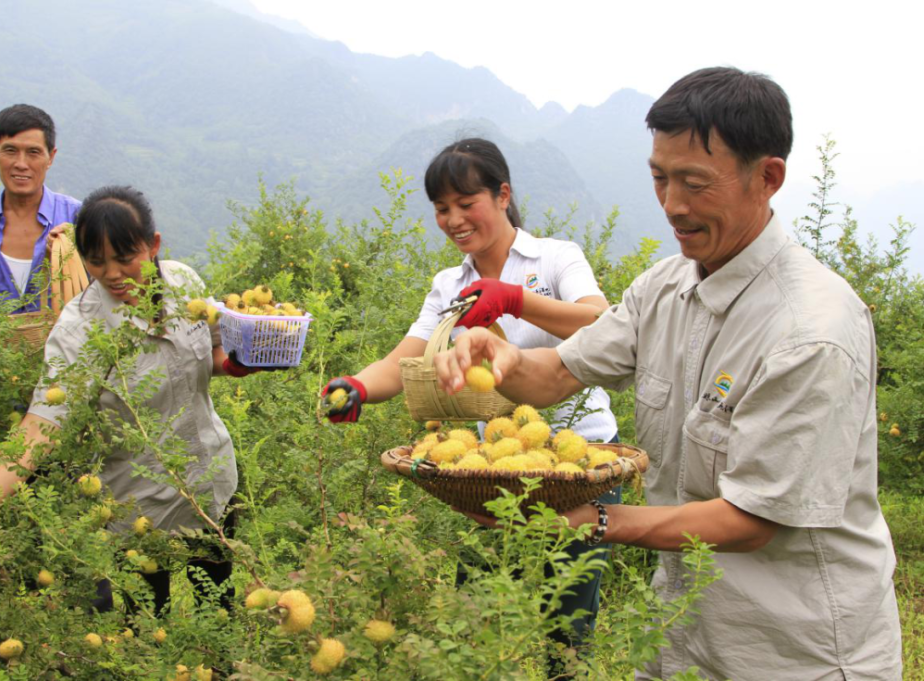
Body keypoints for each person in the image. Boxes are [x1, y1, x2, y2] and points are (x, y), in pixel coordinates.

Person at [433, 68, 902, 680]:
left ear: (768, 178)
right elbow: (556, 375)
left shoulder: (809, 331)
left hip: (794, 653)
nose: (673, 206)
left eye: (695, 183)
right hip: (680, 635)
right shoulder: (665, 288)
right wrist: (502, 359)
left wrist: (592, 519)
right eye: (660, 178)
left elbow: (751, 519)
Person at [322, 137, 620, 658]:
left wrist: (515, 300)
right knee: (476, 612)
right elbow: (403, 359)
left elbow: (602, 320)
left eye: (466, 203)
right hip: (493, 468)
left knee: (567, 624)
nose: (454, 218)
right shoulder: (449, 285)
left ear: (503, 195)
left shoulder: (554, 258)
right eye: (442, 208)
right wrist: (358, 388)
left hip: (578, 463)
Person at [0, 185, 264, 613]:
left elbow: (210, 353)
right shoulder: (80, 333)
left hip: (212, 483)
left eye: (126, 258)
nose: (112, 273)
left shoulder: (183, 283)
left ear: (153, 244)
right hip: (141, 509)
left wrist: (233, 364)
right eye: (96, 261)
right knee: (148, 625)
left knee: (218, 606)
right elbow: (41, 426)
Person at [0, 104, 80, 314]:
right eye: (10, 150)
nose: (21, 164)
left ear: (50, 157)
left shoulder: (79, 219)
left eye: (33, 152)